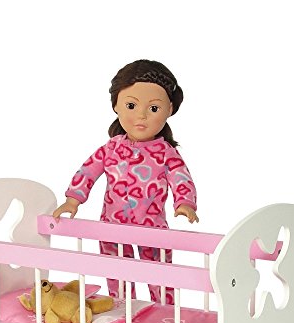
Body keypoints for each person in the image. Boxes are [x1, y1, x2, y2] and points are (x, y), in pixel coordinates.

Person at [53, 59, 198, 304]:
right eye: (131, 105)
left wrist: (185, 203)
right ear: (116, 107)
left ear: (169, 109)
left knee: (160, 277)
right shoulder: (111, 148)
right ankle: (124, 312)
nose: (141, 115)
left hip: (152, 229)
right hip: (112, 227)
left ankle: (165, 314)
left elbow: (181, 177)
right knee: (117, 275)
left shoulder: (166, 153)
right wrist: (72, 200)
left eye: (153, 108)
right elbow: (87, 171)